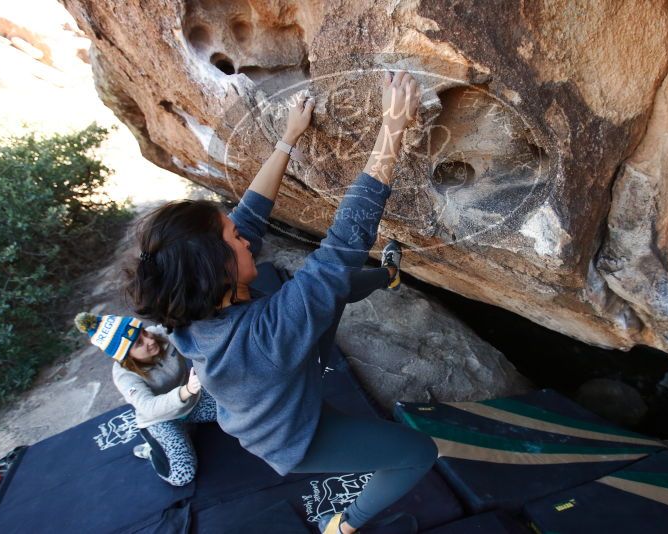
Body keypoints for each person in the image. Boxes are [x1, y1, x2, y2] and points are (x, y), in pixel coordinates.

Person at [126, 71, 437, 534]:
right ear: (217, 267)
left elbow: (250, 214)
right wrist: (392, 129)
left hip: (274, 379)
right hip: (291, 435)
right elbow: (341, 246)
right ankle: (344, 525)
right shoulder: (263, 334)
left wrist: (288, 140)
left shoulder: (197, 295)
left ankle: (387, 276)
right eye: (235, 239)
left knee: (336, 288)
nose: (246, 240)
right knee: (417, 454)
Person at [74, 312, 217, 487]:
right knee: (182, 475)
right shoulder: (123, 375)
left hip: (193, 401)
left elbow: (191, 324)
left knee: (237, 406)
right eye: (139, 343)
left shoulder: (159, 334)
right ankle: (152, 450)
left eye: (144, 333)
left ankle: (187, 426)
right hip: (161, 419)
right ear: (127, 356)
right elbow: (148, 407)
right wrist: (186, 390)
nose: (149, 340)